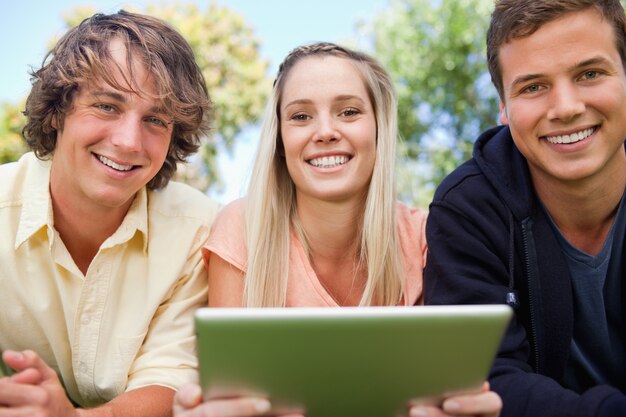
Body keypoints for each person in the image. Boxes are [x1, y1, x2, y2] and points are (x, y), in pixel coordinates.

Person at [173, 42, 502, 417]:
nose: (325, 132)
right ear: (280, 140)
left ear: (379, 128)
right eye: (300, 116)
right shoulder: (242, 229)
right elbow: (227, 396)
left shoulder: (423, 237)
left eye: (348, 112)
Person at [0, 10, 219, 416]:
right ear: (56, 112)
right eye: (106, 106)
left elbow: (171, 381)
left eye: (155, 119)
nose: (128, 140)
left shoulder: (199, 229)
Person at [423, 1, 626, 416]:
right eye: (533, 86)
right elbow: (482, 376)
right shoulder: (468, 208)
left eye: (590, 73)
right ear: (503, 107)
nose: (566, 107)